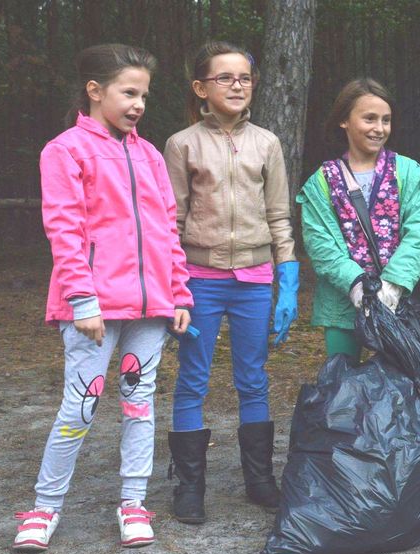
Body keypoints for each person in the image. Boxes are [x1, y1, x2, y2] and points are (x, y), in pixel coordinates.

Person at [13, 44, 193, 552]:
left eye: (144, 95)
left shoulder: (151, 154)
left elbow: (166, 230)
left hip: (151, 309)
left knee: (140, 404)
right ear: (95, 91)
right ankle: (44, 509)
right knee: (81, 405)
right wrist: (82, 300)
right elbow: (65, 231)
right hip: (92, 308)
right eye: (128, 92)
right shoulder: (65, 150)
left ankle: (133, 504)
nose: (138, 103)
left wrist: (178, 293)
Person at [163, 41, 298, 521]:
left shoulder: (267, 143)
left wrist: (288, 276)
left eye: (245, 77)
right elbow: (171, 221)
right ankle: (189, 486)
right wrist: (173, 289)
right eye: (225, 78)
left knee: (253, 377)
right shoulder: (182, 144)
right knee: (193, 379)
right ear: (201, 88)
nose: (237, 85)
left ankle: (260, 480)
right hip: (199, 278)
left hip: (255, 279)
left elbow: (280, 214)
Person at [297, 78, 420, 365]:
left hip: (406, 300)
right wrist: (356, 284)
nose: (379, 128)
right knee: (343, 386)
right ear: (344, 120)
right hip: (344, 304)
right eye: (369, 118)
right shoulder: (320, 182)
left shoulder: (407, 172)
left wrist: (393, 285)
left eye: (386, 120)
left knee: (412, 388)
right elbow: (321, 245)